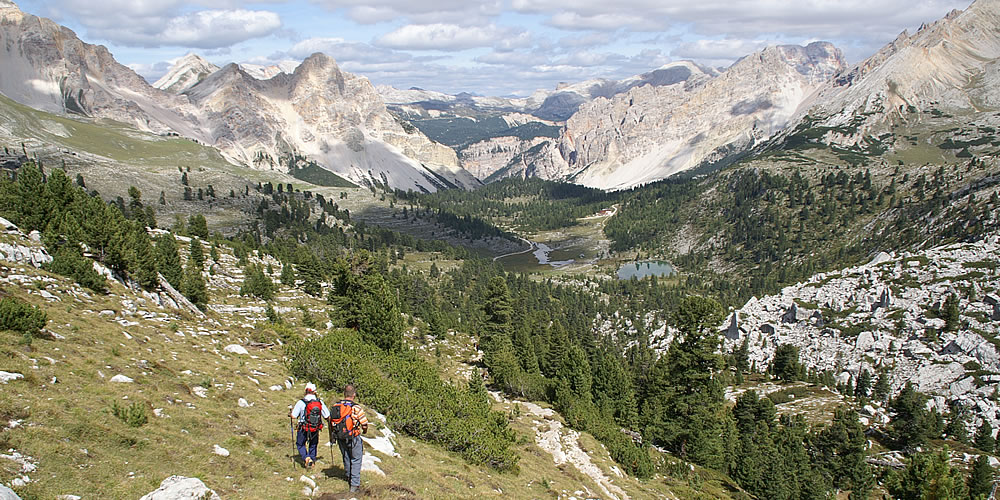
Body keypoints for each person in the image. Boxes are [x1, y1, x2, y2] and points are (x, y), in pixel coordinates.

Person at [332, 384, 369, 493]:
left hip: (340, 436)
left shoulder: (336, 406)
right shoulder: (356, 407)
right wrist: (365, 431)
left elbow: (331, 421)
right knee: (356, 459)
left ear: (344, 394)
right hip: (353, 436)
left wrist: (332, 436)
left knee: (346, 456)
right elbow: (364, 423)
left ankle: (348, 476)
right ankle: (354, 485)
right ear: (354, 395)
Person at [289, 382, 330, 468]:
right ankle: (312, 461)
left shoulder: (301, 402)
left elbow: (293, 416)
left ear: (306, 391)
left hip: (303, 427)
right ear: (314, 392)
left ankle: (306, 458)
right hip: (315, 427)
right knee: (313, 444)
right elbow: (327, 415)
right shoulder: (319, 402)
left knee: (300, 444)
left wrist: (290, 413)